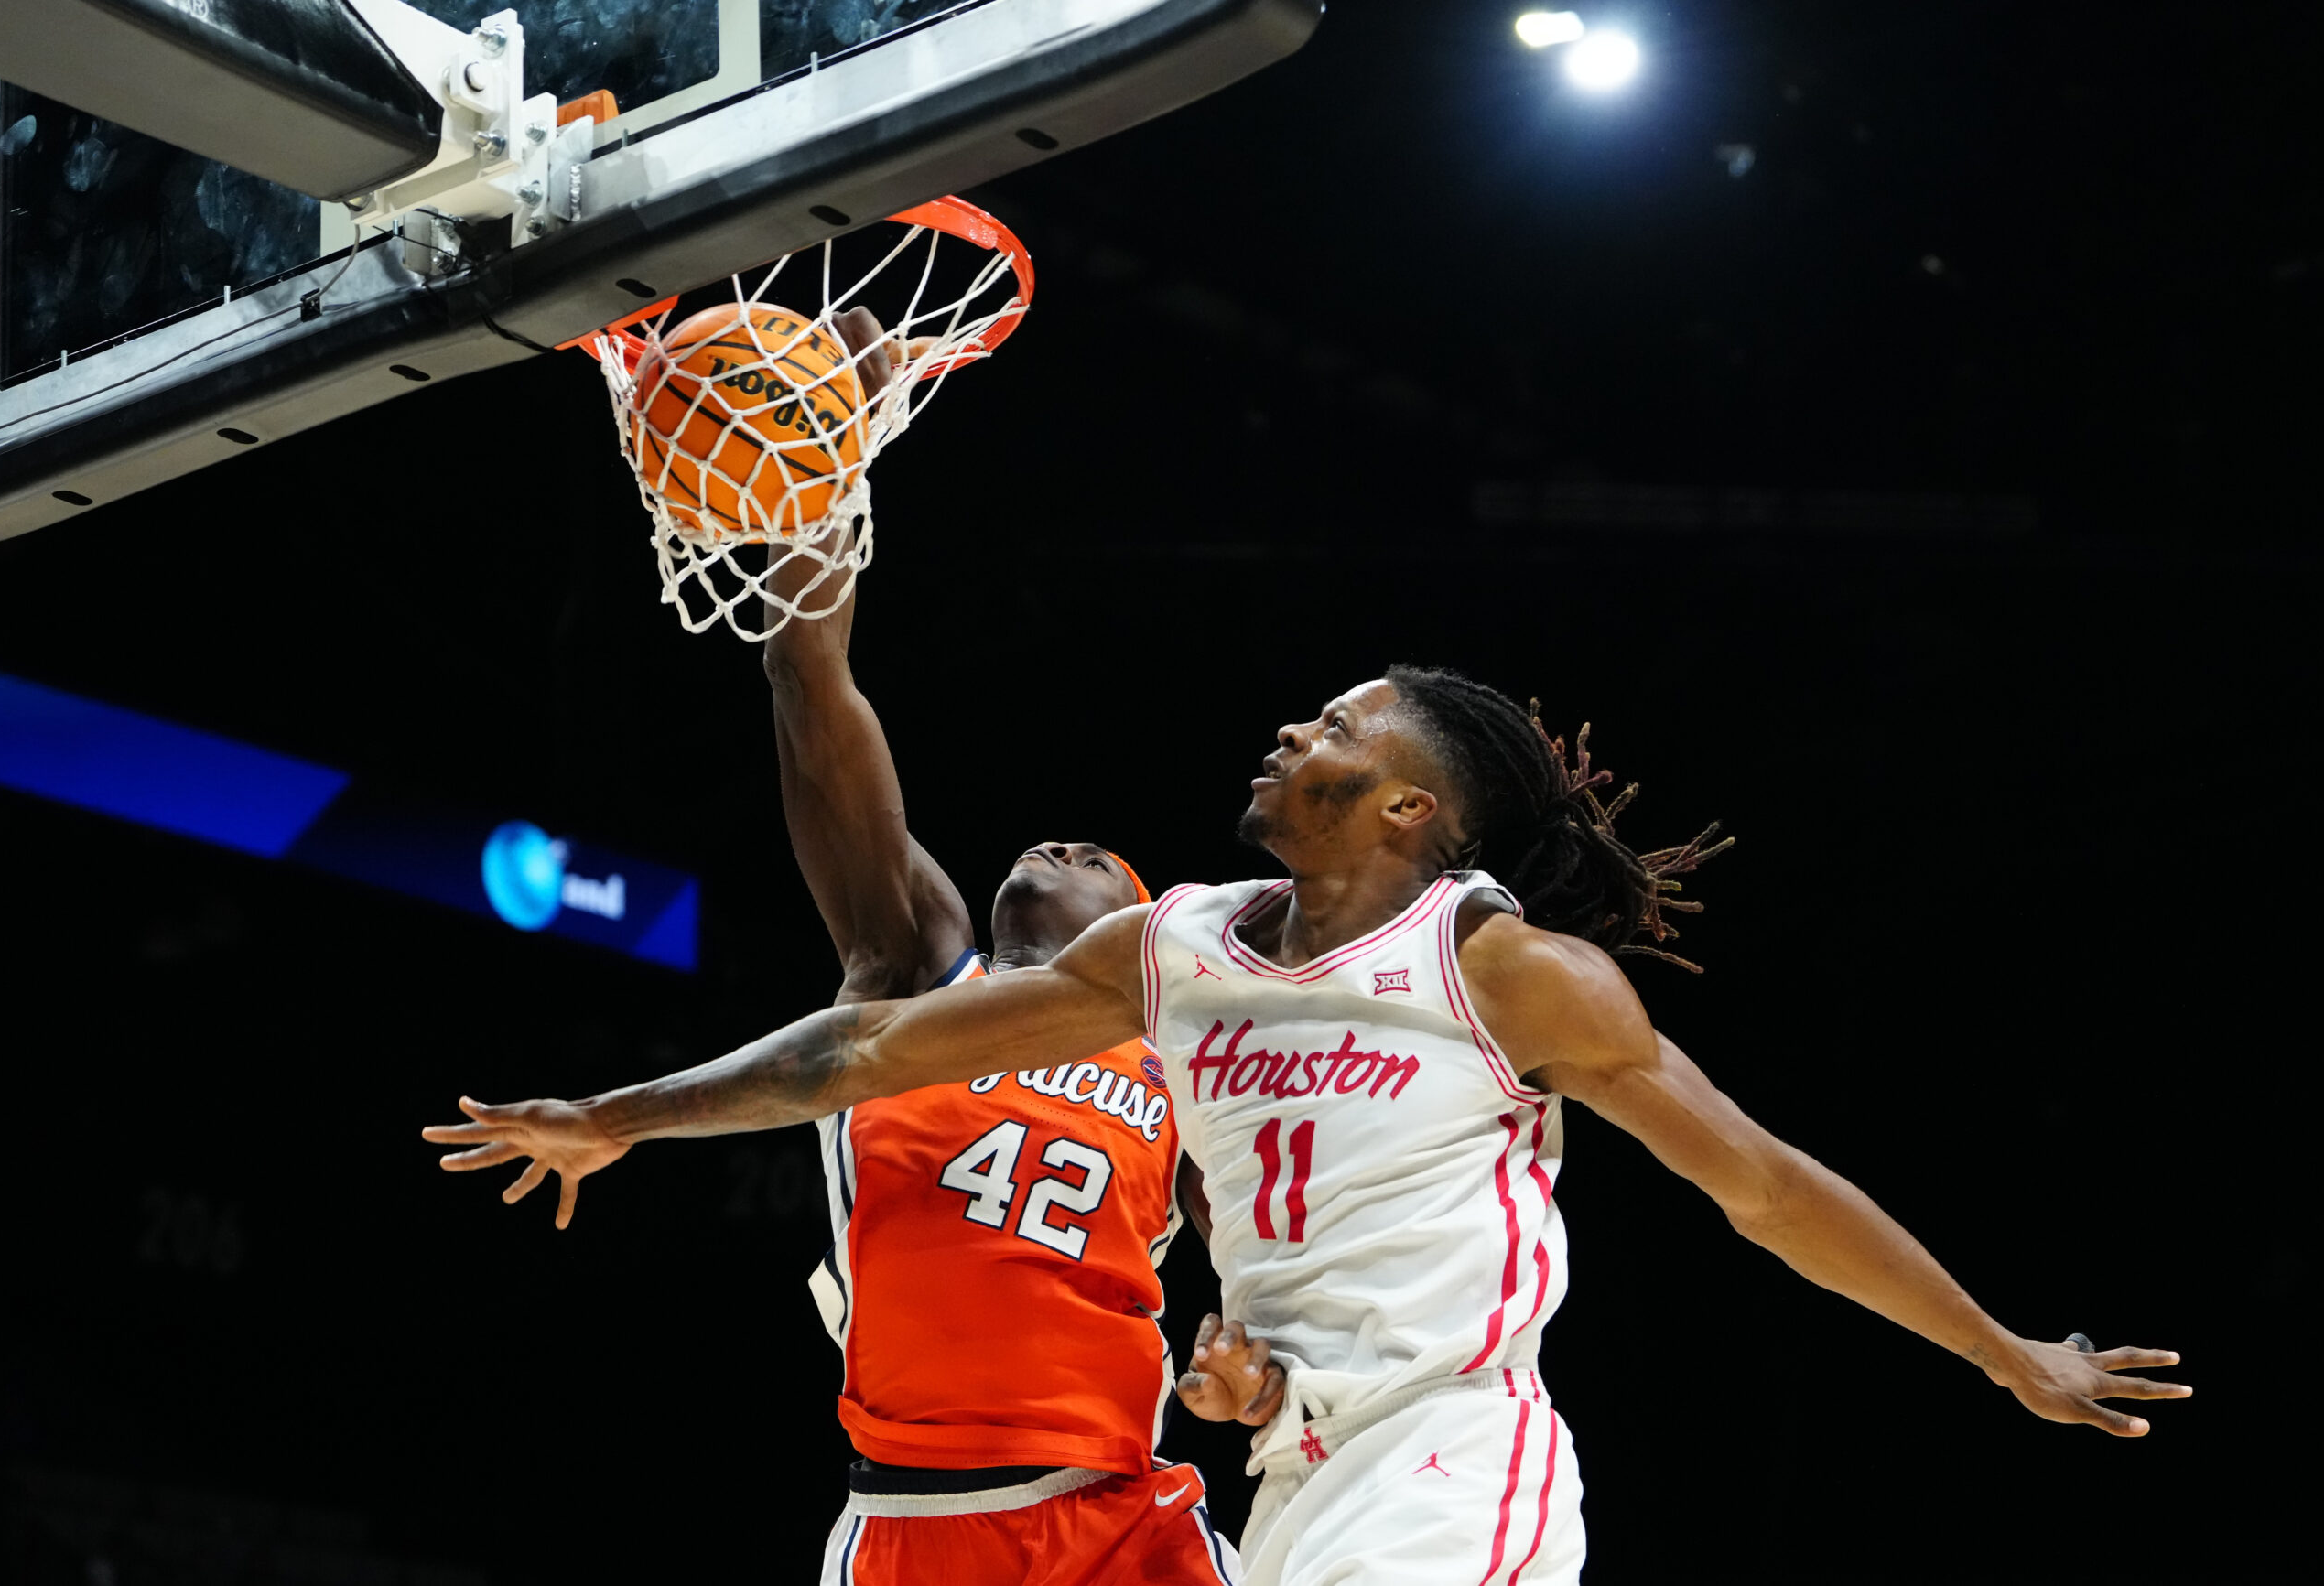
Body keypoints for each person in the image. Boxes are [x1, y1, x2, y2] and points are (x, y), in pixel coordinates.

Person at [427, 667, 2187, 1585]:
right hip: (1293, 1469)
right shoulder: (1172, 948)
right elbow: (871, 1044)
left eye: (1338, 726)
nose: (1294, 727)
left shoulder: (1509, 971)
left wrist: (1997, 1351)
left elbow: (1763, 1187)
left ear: (1410, 804)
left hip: (1456, 1447)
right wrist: (622, 1118)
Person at [438, 307, 1244, 1586]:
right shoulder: (920, 962)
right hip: (918, 1524)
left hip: (1122, 1512)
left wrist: (1249, 1349)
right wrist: (826, 466)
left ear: (1138, 936)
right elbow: (813, 679)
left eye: (1099, 860)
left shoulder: (1177, 1058)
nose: (1059, 846)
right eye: (1054, 845)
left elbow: (1269, 1245)